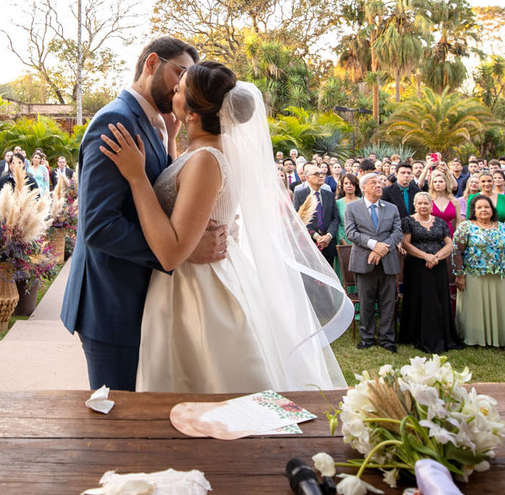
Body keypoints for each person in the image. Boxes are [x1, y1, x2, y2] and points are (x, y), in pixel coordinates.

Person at [100, 63, 348, 392]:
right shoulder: (219, 148)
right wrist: (173, 141)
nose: (174, 90)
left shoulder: (207, 159)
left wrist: (136, 177)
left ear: (191, 113)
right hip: (209, 275)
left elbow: (172, 252)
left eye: (181, 88)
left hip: (196, 290)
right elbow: (186, 191)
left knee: (202, 384)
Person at [59, 37, 228, 391]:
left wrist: (170, 142)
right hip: (112, 305)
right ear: (152, 63)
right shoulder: (116, 122)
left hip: (146, 303)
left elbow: (160, 191)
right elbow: (99, 225)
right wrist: (181, 252)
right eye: (179, 73)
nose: (182, 85)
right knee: (120, 418)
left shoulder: (156, 123)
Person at [345, 173, 402, 353]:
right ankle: (367, 338)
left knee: (387, 301)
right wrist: (373, 245)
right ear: (364, 187)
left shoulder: (391, 208)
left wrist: (383, 248)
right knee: (366, 301)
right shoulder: (352, 208)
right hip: (363, 260)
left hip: (388, 261)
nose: (379, 185)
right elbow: (351, 233)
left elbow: (398, 232)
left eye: (380, 183)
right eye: (374, 183)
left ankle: (387, 339)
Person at [400, 192, 461, 354]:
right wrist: (425, 256)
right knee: (422, 299)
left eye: (426, 203)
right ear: (414, 205)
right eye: (419, 203)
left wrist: (435, 257)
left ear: (431, 205)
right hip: (417, 267)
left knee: (438, 299)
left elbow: (449, 244)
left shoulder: (440, 222)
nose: (423, 206)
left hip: (438, 266)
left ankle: (441, 333)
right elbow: (405, 244)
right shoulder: (408, 221)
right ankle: (417, 334)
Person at [454, 195, 505, 348]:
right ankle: (474, 338)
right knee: (475, 309)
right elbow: (457, 251)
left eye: (486, 207)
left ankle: (498, 338)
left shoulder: (502, 227)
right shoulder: (466, 226)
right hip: (473, 275)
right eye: (479, 207)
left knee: (498, 308)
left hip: (498, 276)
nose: (483, 210)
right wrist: (460, 275)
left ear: (492, 209)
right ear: (474, 211)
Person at [293, 163, 340, 267]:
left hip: (328, 245)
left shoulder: (329, 195)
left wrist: (328, 236)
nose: (320, 176)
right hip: (309, 246)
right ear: (307, 178)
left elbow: (335, 218)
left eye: (322, 173)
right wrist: (316, 236)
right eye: (316, 174)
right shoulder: (300, 195)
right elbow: (299, 219)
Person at [425, 168, 462, 235]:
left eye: (441, 181)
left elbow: (458, 221)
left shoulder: (454, 201)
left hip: (450, 233)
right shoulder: (428, 200)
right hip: (431, 234)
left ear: (446, 183)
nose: (437, 184)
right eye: (435, 182)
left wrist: (458, 236)